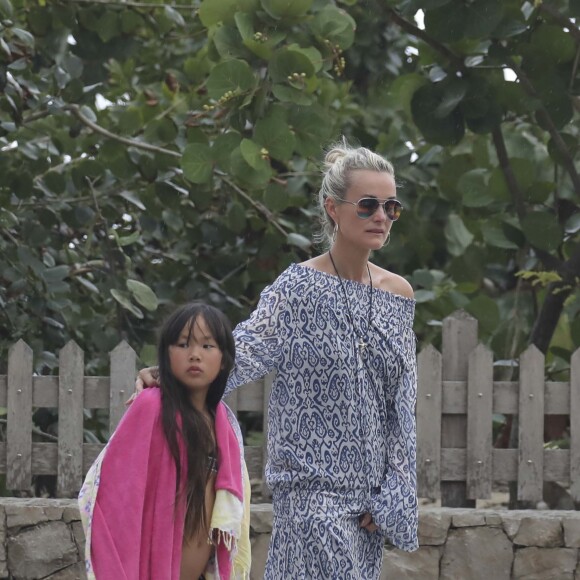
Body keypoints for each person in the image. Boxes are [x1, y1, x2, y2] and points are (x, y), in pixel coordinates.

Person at [136, 139, 418, 579]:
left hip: (368, 504)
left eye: (391, 207)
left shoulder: (399, 295)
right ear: (333, 207)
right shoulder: (297, 289)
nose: (381, 217)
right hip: (309, 495)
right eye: (367, 205)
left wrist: (393, 495)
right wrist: (174, 377)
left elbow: (402, 403)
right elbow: (243, 350)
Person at [79, 303, 251, 580]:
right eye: (183, 344)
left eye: (207, 346)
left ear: (224, 360)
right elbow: (117, 501)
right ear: (166, 354)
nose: (194, 354)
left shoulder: (221, 422)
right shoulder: (151, 407)